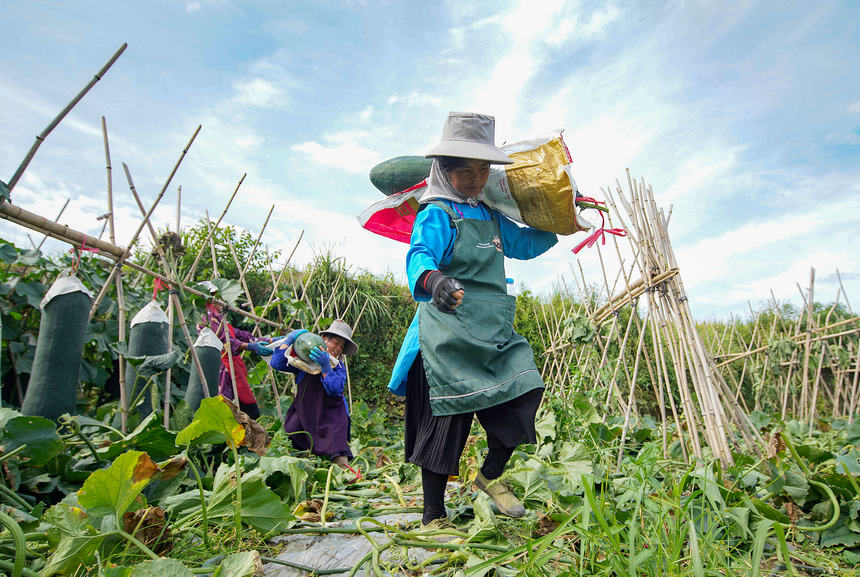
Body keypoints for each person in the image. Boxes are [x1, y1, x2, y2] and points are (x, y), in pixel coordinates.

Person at [388, 112, 558, 529]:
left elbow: (524, 244)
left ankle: (490, 475)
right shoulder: (438, 212)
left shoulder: (491, 214)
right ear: (444, 171)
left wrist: (563, 220)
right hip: (446, 331)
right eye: (465, 171)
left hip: (491, 328)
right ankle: (433, 514)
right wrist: (435, 280)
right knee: (446, 419)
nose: (475, 179)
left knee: (524, 393)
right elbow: (420, 255)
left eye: (482, 170)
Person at [269, 320, 358, 469]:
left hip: (331, 416)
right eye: (334, 343)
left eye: (340, 346)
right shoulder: (303, 362)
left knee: (337, 450)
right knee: (295, 438)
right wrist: (290, 338)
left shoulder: (338, 366)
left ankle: (345, 475)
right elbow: (277, 363)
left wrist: (325, 367)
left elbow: (334, 388)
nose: (336, 348)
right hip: (306, 412)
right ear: (323, 340)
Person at [204, 297, 273, 420]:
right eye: (219, 299)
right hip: (222, 369)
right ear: (212, 301)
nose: (222, 302)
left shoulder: (220, 320)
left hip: (233, 368)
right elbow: (226, 341)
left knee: (245, 408)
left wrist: (270, 341)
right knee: (227, 408)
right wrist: (251, 346)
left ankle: (248, 434)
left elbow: (242, 335)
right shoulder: (207, 320)